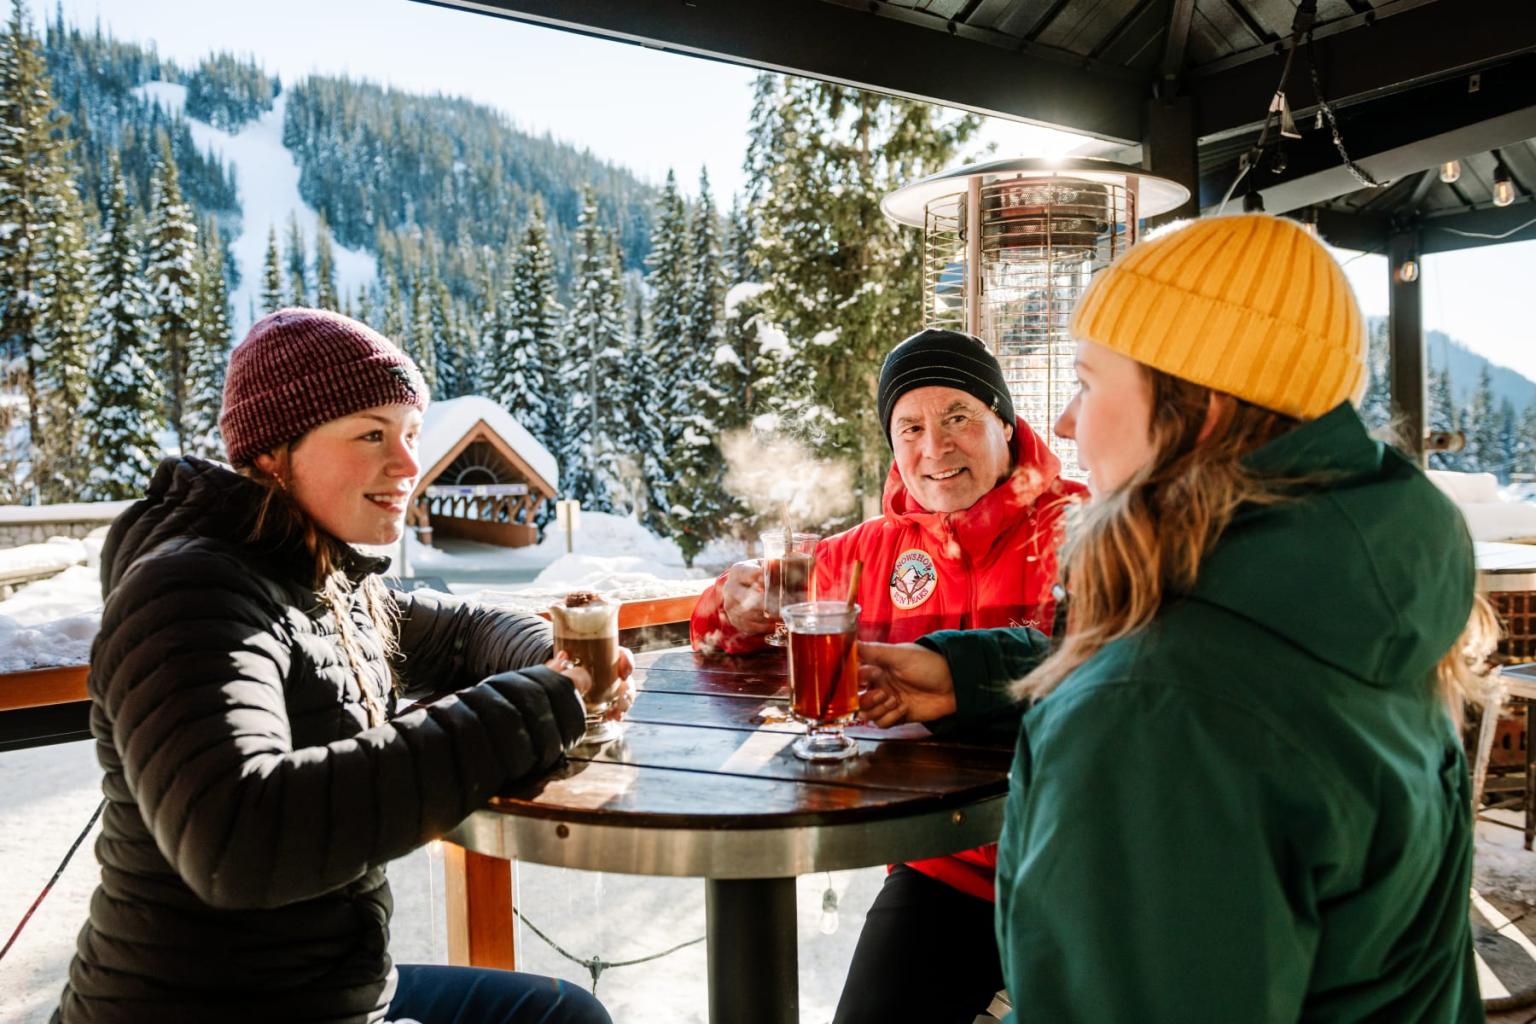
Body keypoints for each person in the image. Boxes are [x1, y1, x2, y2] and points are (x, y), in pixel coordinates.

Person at [857, 214, 1492, 1022]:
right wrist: (964, 673)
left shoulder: (1159, 707)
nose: (1060, 425)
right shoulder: (1361, 602)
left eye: (1087, 383)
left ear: (1203, 409)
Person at [55, 309, 622, 1024]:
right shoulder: (191, 592)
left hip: (323, 989)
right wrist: (534, 710)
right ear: (271, 453)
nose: (410, 465)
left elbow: (465, 634)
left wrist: (553, 661)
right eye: (371, 434)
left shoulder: (323, 578)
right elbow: (236, 838)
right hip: (206, 1004)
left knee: (560, 1015)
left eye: (411, 434)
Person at [691, 328, 1086, 1023]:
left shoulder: (1082, 528)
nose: (935, 448)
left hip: (1082, 860)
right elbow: (725, 629)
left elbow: (1107, 658)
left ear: (1003, 418)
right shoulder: (873, 551)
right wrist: (736, 606)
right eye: (911, 427)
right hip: (948, 866)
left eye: (958, 417)